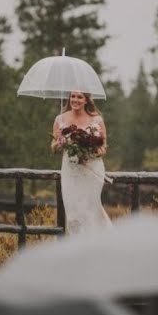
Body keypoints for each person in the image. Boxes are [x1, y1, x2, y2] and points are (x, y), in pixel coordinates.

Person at [51, 90, 113, 234]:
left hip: (91, 169)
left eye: (80, 97)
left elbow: (103, 148)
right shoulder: (60, 120)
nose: (75, 100)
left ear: (86, 100)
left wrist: (91, 149)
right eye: (73, 96)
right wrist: (61, 141)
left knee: (91, 210)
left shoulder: (96, 120)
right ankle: (77, 248)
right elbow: (53, 148)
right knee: (73, 214)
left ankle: (97, 244)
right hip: (70, 171)